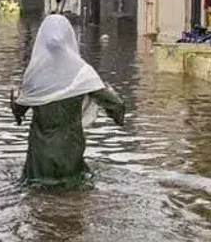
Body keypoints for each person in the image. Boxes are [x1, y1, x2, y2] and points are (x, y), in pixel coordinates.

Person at [10, 15, 125, 188]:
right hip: (70, 153)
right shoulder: (82, 74)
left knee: (37, 201)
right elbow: (116, 105)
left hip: (39, 159)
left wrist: (14, 99)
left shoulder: (34, 75)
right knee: (73, 198)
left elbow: (19, 110)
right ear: (69, 39)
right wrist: (116, 113)